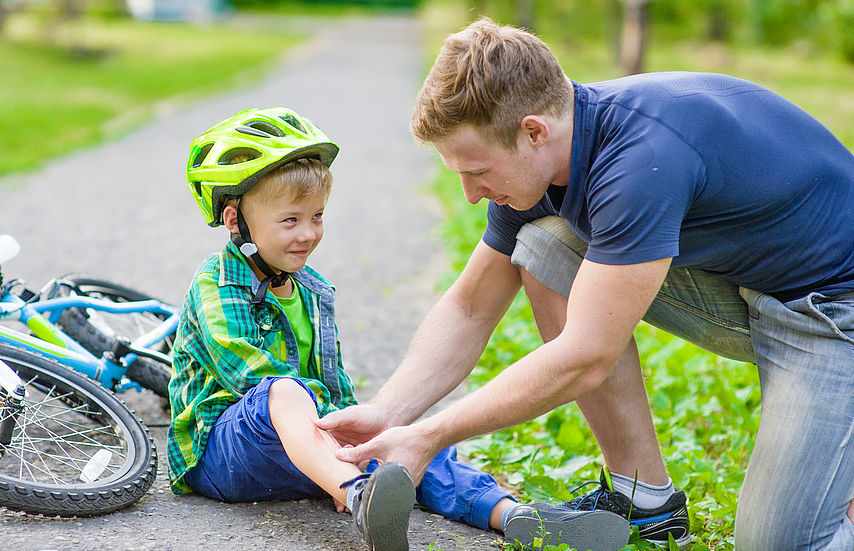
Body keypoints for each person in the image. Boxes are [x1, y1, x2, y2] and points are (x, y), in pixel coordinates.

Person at [315, 18, 854, 551]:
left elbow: (585, 355)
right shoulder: (543, 165)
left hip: (833, 312)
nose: (471, 195)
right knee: (545, 243)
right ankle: (642, 498)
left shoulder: (640, 159)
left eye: (476, 171)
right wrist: (390, 413)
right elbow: (471, 307)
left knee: (781, 543)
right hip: (753, 290)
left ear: (533, 131)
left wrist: (432, 436)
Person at [166, 106, 628, 551]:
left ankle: (511, 515)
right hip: (223, 454)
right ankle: (359, 495)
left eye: (317, 217)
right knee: (281, 391)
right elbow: (247, 371)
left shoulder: (312, 289)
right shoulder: (218, 281)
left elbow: (332, 381)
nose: (308, 234)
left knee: (406, 438)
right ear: (235, 221)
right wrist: (337, 439)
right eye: (290, 221)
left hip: (309, 448)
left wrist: (362, 435)